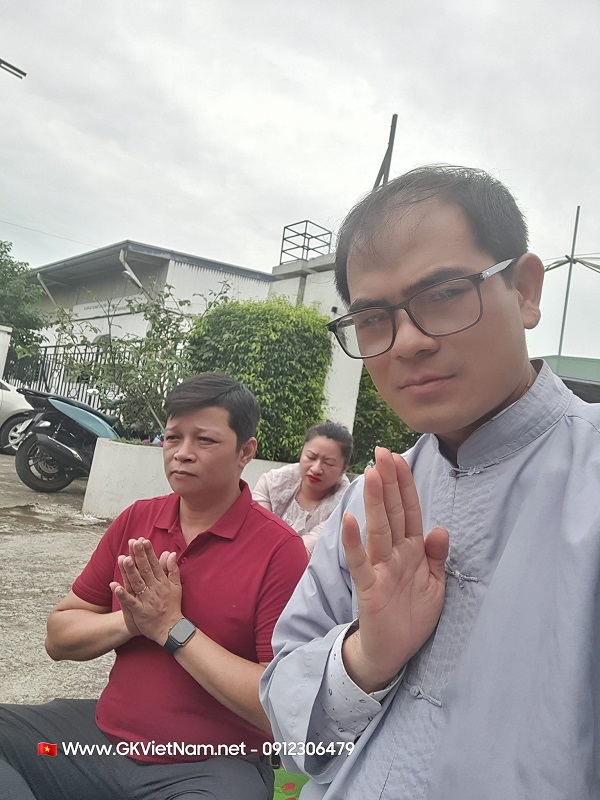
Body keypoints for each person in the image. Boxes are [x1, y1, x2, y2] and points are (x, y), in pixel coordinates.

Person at [260, 165, 600, 799]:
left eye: (444, 293)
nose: (407, 342)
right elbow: (291, 727)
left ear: (526, 291)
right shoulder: (369, 500)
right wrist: (366, 658)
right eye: (372, 318)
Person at [0, 372, 309, 800]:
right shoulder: (137, 520)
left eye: (205, 440)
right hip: (95, 747)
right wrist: (130, 622)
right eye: (173, 437)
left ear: (245, 452)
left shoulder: (280, 550)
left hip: (210, 767)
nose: (182, 453)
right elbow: (58, 637)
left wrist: (172, 628)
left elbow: (280, 707)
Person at [252, 421, 353, 553]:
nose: (316, 469)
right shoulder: (272, 483)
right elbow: (255, 531)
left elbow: (303, 552)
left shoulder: (346, 506)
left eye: (328, 463)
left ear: (343, 469)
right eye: (311, 457)